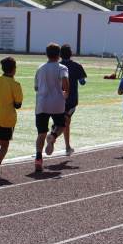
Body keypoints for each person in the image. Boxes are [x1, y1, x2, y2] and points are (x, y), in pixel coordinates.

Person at [33, 43, 69, 172]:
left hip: (42, 103)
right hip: (57, 102)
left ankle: (38, 159)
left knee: (41, 133)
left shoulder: (40, 68)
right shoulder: (62, 67)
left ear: (46, 54)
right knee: (62, 125)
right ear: (59, 55)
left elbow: (36, 87)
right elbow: (65, 79)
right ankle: (53, 136)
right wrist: (66, 91)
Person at [59, 44, 86, 156]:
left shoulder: (57, 65)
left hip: (57, 97)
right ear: (71, 54)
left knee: (60, 119)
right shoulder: (76, 65)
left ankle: (53, 136)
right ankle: (66, 146)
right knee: (66, 122)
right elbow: (82, 82)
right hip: (71, 99)